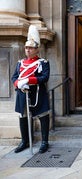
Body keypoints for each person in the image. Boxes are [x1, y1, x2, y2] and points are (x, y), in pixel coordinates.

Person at [11, 25, 50, 154]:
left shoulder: (43, 62)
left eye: (31, 48)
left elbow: (44, 77)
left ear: (37, 50)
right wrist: (19, 83)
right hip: (23, 93)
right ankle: (25, 141)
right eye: (26, 48)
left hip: (38, 93)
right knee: (23, 117)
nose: (28, 50)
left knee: (43, 116)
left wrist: (29, 80)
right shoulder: (20, 62)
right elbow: (14, 77)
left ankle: (44, 142)